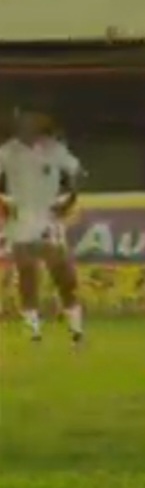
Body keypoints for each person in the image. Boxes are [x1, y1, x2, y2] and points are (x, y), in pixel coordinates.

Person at [0, 106, 85, 344]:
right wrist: (4, 203)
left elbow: (77, 172)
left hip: (48, 218)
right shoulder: (8, 152)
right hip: (22, 218)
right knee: (27, 273)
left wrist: (71, 198)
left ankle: (76, 328)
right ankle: (32, 329)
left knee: (63, 275)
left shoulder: (54, 150)